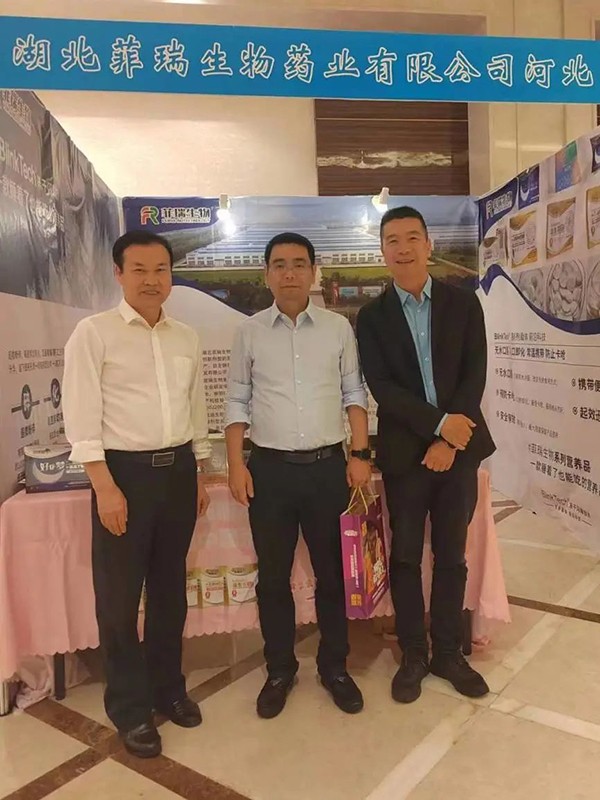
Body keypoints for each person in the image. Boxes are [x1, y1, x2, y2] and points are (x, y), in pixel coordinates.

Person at [62, 230, 211, 758]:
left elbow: (196, 407)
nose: (152, 280)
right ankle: (129, 709)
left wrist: (200, 470)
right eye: (140, 270)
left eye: (161, 270)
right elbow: (81, 415)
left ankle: (169, 688)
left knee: (170, 592)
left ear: (171, 275)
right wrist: (104, 487)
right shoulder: (94, 333)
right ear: (119, 274)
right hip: (122, 476)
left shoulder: (185, 336)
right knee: (120, 600)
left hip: (178, 474)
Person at [225, 232, 371, 719]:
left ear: (314, 272)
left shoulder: (337, 328)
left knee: (333, 575)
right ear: (266, 274)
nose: (289, 273)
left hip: (329, 469)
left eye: (299, 264)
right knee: (273, 578)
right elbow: (237, 399)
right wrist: (236, 464)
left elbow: (354, 392)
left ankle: (335, 667)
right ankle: (279, 670)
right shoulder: (249, 332)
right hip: (269, 472)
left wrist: (360, 453)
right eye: (280, 265)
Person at [356, 206, 495, 704]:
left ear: (428, 244)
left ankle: (449, 653)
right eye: (393, 240)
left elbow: (474, 373)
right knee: (407, 556)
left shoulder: (463, 303)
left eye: (412, 237)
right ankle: (414, 653)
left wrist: (450, 439)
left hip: (459, 450)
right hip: (404, 456)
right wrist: (438, 427)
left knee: (452, 555)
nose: (404, 248)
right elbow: (383, 388)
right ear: (383, 251)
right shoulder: (372, 317)